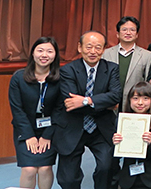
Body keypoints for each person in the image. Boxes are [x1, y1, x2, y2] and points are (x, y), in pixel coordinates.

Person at [56, 31, 122, 189]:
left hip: (101, 127)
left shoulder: (112, 69)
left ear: (104, 49)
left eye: (98, 47)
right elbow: (70, 104)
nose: (93, 51)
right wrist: (102, 103)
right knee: (68, 179)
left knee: (107, 168)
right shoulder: (67, 70)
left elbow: (115, 96)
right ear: (80, 47)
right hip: (73, 126)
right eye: (89, 47)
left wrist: (86, 100)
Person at [9, 37, 61, 189]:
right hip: (25, 129)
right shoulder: (18, 78)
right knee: (30, 169)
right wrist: (29, 136)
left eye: (49, 51)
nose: (44, 55)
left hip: (50, 129)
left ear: (55, 55)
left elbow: (60, 110)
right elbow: (17, 110)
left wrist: (47, 135)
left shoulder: (60, 79)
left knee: (45, 168)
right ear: (32, 53)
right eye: (40, 50)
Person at [112, 82, 151, 189]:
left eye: (145, 98)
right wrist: (115, 144)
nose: (140, 103)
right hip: (129, 178)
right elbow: (115, 156)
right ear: (129, 100)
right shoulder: (122, 121)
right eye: (135, 98)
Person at [102, 16, 151, 112]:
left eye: (132, 30)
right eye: (124, 30)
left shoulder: (147, 55)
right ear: (117, 34)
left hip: (135, 104)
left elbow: (147, 83)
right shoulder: (105, 54)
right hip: (110, 103)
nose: (128, 33)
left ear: (137, 34)